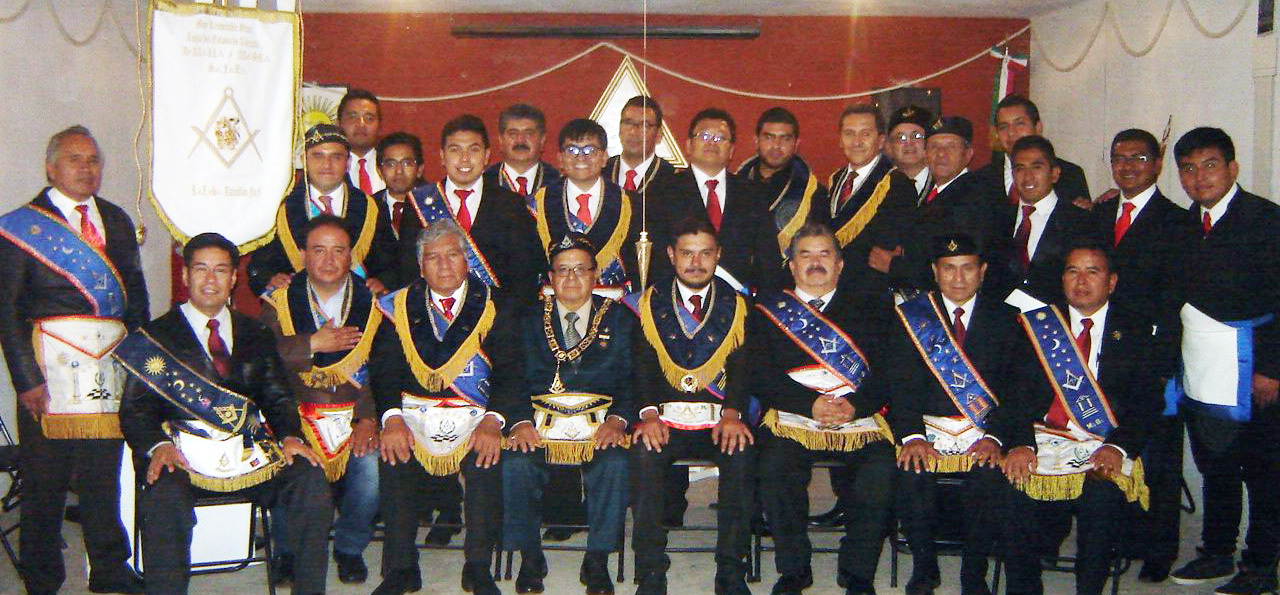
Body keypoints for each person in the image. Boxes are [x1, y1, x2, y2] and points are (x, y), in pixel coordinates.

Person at [116, 233, 332, 595]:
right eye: (201, 269)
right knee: (164, 494)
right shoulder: (154, 336)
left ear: (233, 278)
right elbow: (135, 411)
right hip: (182, 455)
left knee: (309, 479)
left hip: (248, 455)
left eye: (220, 270)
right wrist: (158, 446)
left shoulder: (256, 332)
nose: (211, 279)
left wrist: (290, 436)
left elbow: (278, 397)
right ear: (186, 275)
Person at [0, 125, 149, 595]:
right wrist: (26, 380)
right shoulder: (20, 228)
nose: (86, 169)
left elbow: (136, 299)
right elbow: (7, 311)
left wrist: (140, 365)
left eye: (93, 160)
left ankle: (109, 569)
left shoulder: (117, 220)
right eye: (74, 159)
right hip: (49, 374)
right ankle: (42, 577)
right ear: (51, 167)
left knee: (103, 479)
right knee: (44, 483)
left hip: (109, 368)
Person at [996, 241, 1161, 595]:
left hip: (1104, 441)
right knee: (1012, 484)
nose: (1081, 281)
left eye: (1092, 271)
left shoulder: (1135, 331)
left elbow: (1147, 403)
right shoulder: (1038, 327)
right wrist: (1020, 443)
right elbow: (1013, 395)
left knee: (1101, 497)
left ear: (1111, 282)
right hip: (1042, 435)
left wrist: (1118, 447)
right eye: (1072, 271)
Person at [751, 222, 903, 595]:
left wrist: (856, 406)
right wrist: (810, 404)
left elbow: (889, 372)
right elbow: (760, 374)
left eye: (825, 254)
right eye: (805, 255)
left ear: (840, 264)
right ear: (792, 265)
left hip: (856, 416)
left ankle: (857, 572)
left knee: (880, 468)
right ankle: (794, 569)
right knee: (774, 465)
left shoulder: (872, 308)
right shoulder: (767, 311)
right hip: (793, 415)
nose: (815, 263)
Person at [370, 218, 514, 595]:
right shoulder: (397, 306)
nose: (445, 265)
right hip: (415, 414)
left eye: (453, 255)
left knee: (486, 460)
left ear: (467, 261)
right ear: (421, 267)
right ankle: (401, 568)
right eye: (434, 258)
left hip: (475, 415)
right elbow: (384, 370)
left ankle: (477, 567)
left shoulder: (495, 304)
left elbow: (511, 370)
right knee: (394, 454)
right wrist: (392, 419)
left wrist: (494, 421)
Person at [1165, 127, 1280, 595]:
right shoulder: (1183, 225)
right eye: (1188, 169)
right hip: (1201, 365)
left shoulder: (1266, 220)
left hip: (1255, 365)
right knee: (1215, 464)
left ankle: (1262, 565)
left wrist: (1272, 368)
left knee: (1264, 471)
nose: (1199, 177)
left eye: (1210, 165)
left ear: (1232, 168)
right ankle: (1216, 552)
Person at [889, 234, 1026, 595]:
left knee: (988, 476)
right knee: (911, 470)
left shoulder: (1007, 319)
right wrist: (912, 436)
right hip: (928, 426)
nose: (959, 278)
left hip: (983, 429)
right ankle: (924, 566)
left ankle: (973, 573)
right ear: (935, 272)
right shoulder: (912, 317)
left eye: (967, 268)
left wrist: (995, 437)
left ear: (982, 271)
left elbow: (1016, 390)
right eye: (949, 269)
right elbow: (900, 385)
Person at [501, 233, 636, 595]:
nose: (572, 278)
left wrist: (618, 420)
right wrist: (519, 422)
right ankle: (530, 557)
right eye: (563, 270)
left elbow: (632, 378)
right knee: (516, 463)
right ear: (550, 277)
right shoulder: (527, 319)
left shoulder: (621, 319)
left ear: (595, 275)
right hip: (539, 424)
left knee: (615, 462)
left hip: (599, 424)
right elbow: (509, 376)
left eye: (580, 269)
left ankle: (598, 559)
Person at [630, 217, 755, 595]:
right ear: (671, 255)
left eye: (705, 253)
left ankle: (731, 570)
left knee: (743, 454)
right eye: (687, 253)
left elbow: (745, 368)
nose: (696, 263)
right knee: (643, 454)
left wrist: (733, 413)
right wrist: (648, 414)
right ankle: (651, 570)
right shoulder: (648, 303)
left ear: (718, 255)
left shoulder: (738, 306)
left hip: (719, 420)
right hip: (664, 420)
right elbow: (640, 368)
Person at [1091, 128, 1195, 583]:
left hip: (1151, 354)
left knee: (1159, 452)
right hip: (1104, 351)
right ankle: (1122, 535)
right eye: (1119, 157)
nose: (1127, 166)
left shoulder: (1176, 221)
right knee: (1114, 438)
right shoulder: (1098, 215)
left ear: (1156, 163)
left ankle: (1158, 548)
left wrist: (1162, 360)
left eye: (1138, 157)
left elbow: (1176, 299)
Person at [259, 216, 382, 585]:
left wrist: (368, 419)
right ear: (302, 255)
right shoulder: (278, 301)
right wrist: (311, 343)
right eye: (319, 250)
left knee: (371, 468)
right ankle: (287, 551)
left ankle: (349, 547)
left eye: (338, 251)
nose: (329, 260)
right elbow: (262, 361)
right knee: (291, 466)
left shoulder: (375, 303)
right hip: (296, 414)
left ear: (351, 256)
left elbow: (383, 367)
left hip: (355, 411)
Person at [397, 114, 542, 314]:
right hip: (436, 316)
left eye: (473, 149)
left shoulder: (512, 205)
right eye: (455, 149)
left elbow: (524, 276)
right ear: (442, 156)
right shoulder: (419, 204)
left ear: (486, 156)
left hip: (498, 319)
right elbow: (409, 271)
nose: (464, 158)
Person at [248, 124, 399, 297]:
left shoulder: (371, 207)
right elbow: (258, 268)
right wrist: (270, 278)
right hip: (298, 305)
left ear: (348, 162)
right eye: (318, 156)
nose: (327, 164)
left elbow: (391, 264)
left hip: (358, 304)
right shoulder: (281, 209)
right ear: (304, 160)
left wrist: (382, 282)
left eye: (336, 157)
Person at [647, 108, 782, 295]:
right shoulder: (661, 191)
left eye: (720, 138)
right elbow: (655, 255)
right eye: (704, 136)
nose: (711, 142)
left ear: (731, 150)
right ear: (689, 145)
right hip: (675, 300)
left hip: (738, 301)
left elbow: (767, 260)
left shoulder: (753, 194)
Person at [891, 116, 1002, 293]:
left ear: (968, 154)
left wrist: (893, 265)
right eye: (934, 146)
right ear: (926, 154)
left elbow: (957, 265)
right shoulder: (931, 192)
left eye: (951, 147)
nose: (941, 154)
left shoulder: (975, 197)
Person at [819, 104, 918, 302]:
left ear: (881, 141)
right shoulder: (835, 180)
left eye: (865, 134)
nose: (856, 142)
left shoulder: (897, 185)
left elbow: (882, 251)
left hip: (870, 296)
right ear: (840, 140)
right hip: (831, 292)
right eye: (849, 134)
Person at [533, 118, 642, 296]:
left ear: (605, 157)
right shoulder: (538, 204)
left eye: (590, 150)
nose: (581, 157)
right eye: (572, 150)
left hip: (615, 304)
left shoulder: (632, 204)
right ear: (560, 158)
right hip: (554, 303)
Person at [988, 135, 1096, 307]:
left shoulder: (1081, 222)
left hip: (1057, 319)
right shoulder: (996, 219)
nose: (1028, 177)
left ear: (1054, 174)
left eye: (1036, 167)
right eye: (1020, 169)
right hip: (1002, 319)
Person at [735, 106, 827, 261]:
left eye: (785, 139)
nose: (776, 146)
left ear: (796, 144)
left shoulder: (813, 195)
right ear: (756, 141)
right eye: (769, 137)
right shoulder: (733, 186)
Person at [973, 95, 1090, 208]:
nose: (1011, 133)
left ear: (1038, 128)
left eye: (1019, 124)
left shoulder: (1069, 175)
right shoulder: (978, 181)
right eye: (1004, 127)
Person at [484, 103, 563, 215]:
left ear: (542, 140)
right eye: (513, 134)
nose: (520, 140)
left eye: (529, 134)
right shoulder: (484, 184)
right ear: (500, 140)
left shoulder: (559, 184)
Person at [604, 95, 677, 195]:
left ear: (659, 134)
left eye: (645, 125)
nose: (634, 132)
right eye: (628, 123)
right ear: (620, 129)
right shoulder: (600, 173)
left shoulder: (673, 181)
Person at [374, 131, 426, 240]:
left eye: (406, 163)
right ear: (379, 171)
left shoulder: (433, 206)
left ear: (419, 170)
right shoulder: (368, 207)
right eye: (391, 164)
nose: (399, 171)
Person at [338, 89, 386, 197]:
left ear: (380, 126)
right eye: (352, 117)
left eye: (369, 118)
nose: (361, 124)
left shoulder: (392, 165)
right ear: (339, 124)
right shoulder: (328, 167)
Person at [883, 105, 933, 203]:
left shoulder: (943, 182)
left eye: (917, 136)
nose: (909, 143)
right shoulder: (878, 187)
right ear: (888, 147)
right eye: (901, 137)